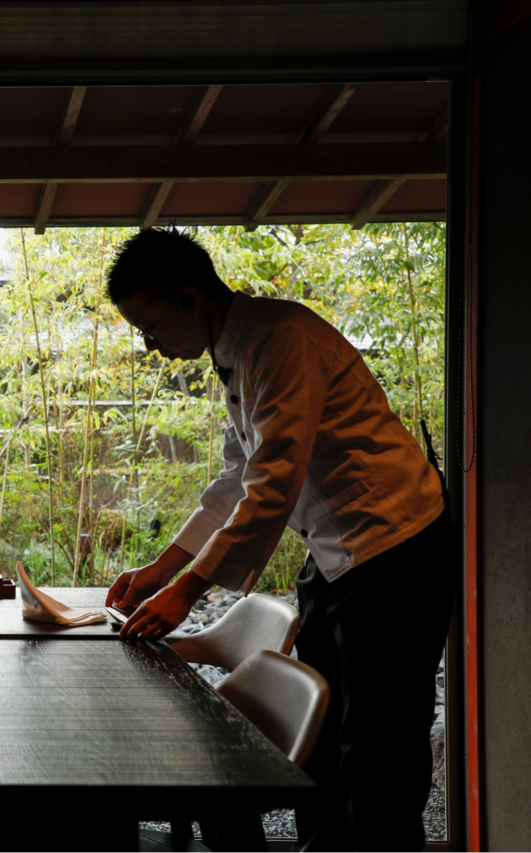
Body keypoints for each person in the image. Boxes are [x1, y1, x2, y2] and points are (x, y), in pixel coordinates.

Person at [102, 227, 454, 853]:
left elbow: (272, 484)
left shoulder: (279, 339)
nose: (151, 346)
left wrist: (188, 591)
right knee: (325, 736)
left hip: (395, 545)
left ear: (190, 298)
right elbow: (239, 471)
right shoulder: (234, 349)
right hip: (337, 550)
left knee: (380, 742)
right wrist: (164, 566)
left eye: (150, 328)